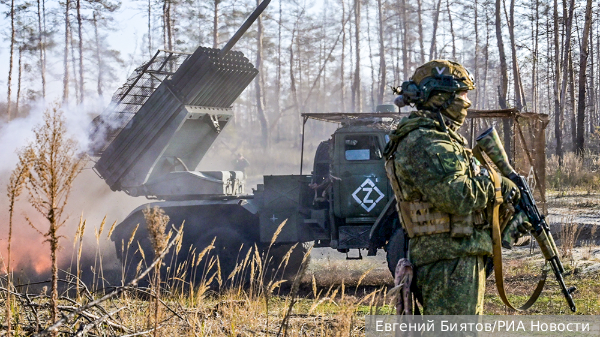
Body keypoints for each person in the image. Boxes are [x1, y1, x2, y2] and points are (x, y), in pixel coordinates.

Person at [384, 60, 528, 315]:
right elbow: (456, 195)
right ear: (439, 98)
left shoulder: (440, 137)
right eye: (461, 95)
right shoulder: (425, 140)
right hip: (447, 263)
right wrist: (498, 184)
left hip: (456, 257)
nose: (467, 101)